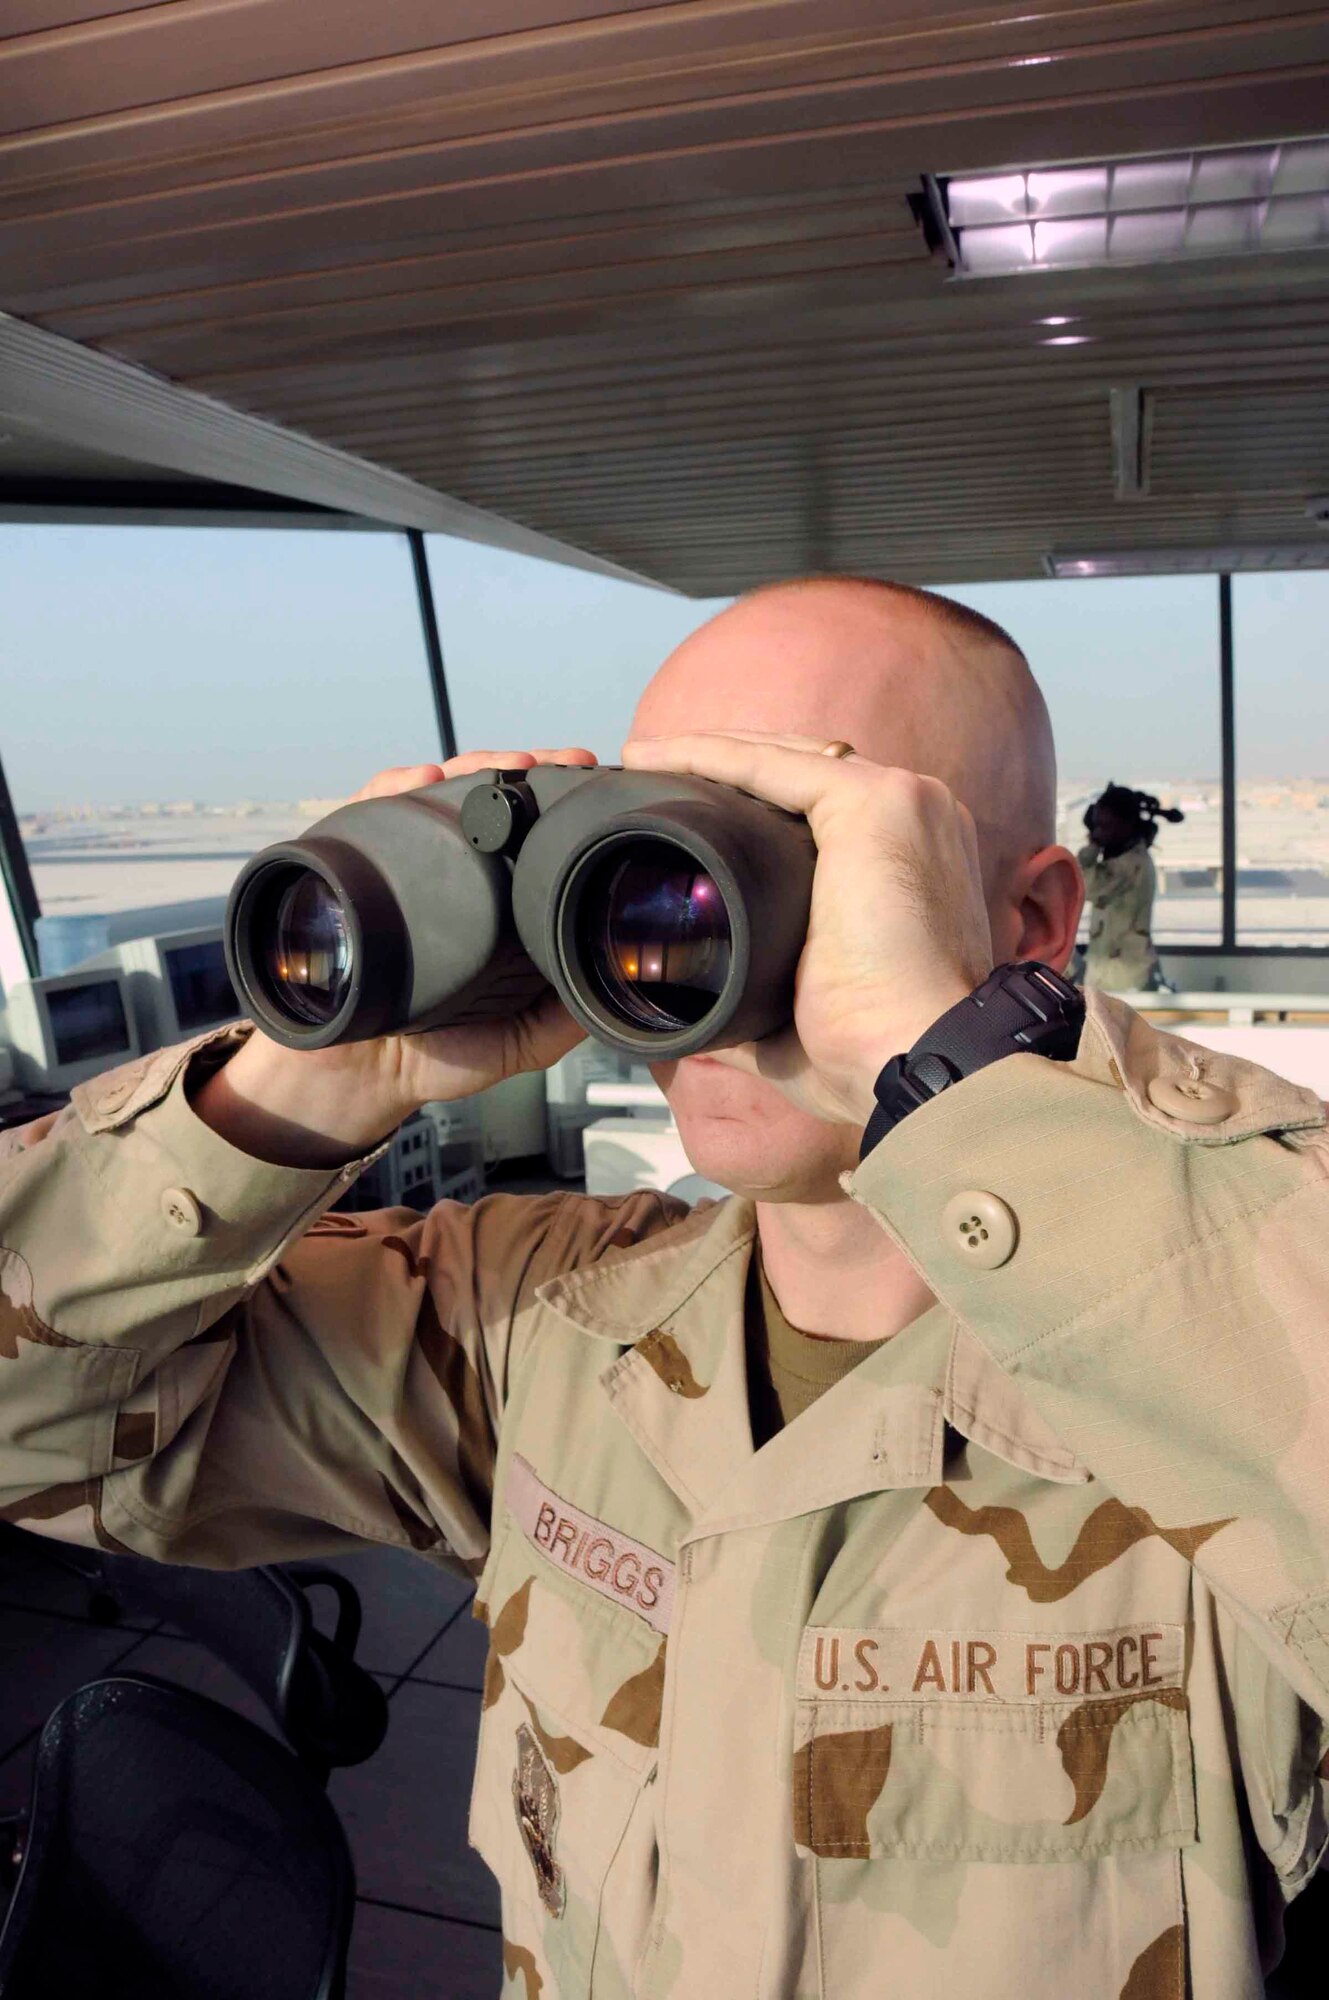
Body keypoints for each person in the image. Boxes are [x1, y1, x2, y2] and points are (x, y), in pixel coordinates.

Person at [1, 577, 1327, 2000]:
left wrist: (942, 1061)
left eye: (789, 855)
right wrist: (295, 1089)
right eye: (643, 862)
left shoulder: (1198, 1361)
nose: (686, 939)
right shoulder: (544, 1326)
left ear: (1031, 917)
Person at [1078, 781, 1184, 992]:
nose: (1100, 832)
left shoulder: (1130, 864)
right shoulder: (1122, 861)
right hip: (1108, 970)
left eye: (1105, 826)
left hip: (1124, 976)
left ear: (1126, 825)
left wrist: (1093, 845)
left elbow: (1081, 886)